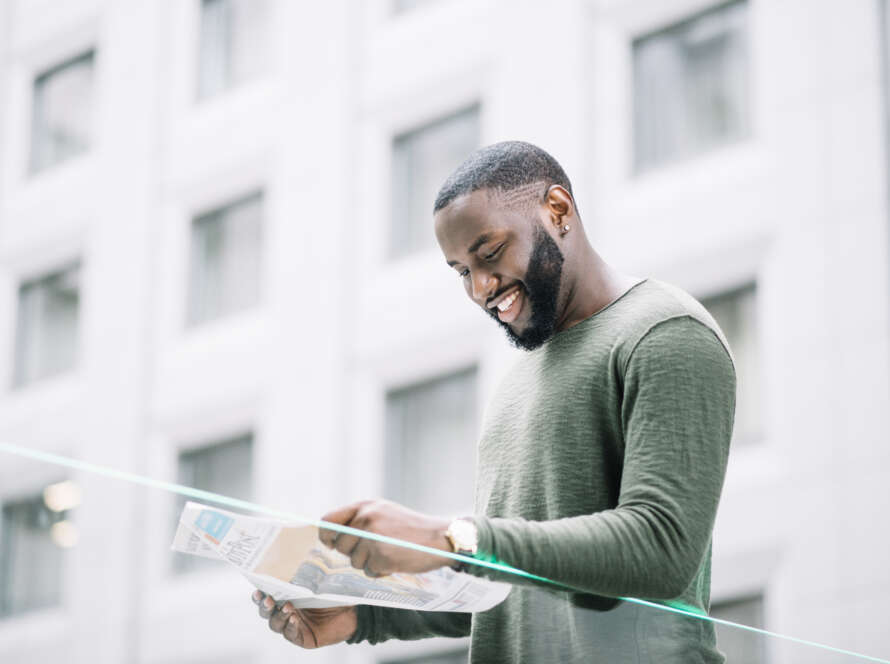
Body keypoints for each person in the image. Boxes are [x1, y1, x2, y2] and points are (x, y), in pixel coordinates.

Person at [252, 141, 736, 662]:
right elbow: (512, 582)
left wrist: (448, 536)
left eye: (489, 253)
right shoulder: (520, 379)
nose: (481, 287)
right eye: (462, 271)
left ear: (557, 209)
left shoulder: (665, 334)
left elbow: (659, 549)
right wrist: (364, 616)